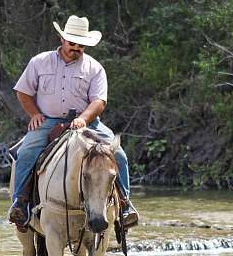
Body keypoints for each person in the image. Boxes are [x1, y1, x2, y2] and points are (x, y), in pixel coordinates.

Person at [8, 14, 139, 229]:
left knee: (120, 156)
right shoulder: (39, 62)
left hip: (88, 123)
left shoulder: (94, 68)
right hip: (49, 121)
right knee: (26, 153)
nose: (75, 48)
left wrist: (83, 119)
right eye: (72, 43)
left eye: (80, 45)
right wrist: (34, 114)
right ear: (62, 40)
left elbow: (99, 101)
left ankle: (125, 206)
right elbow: (23, 91)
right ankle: (20, 203)